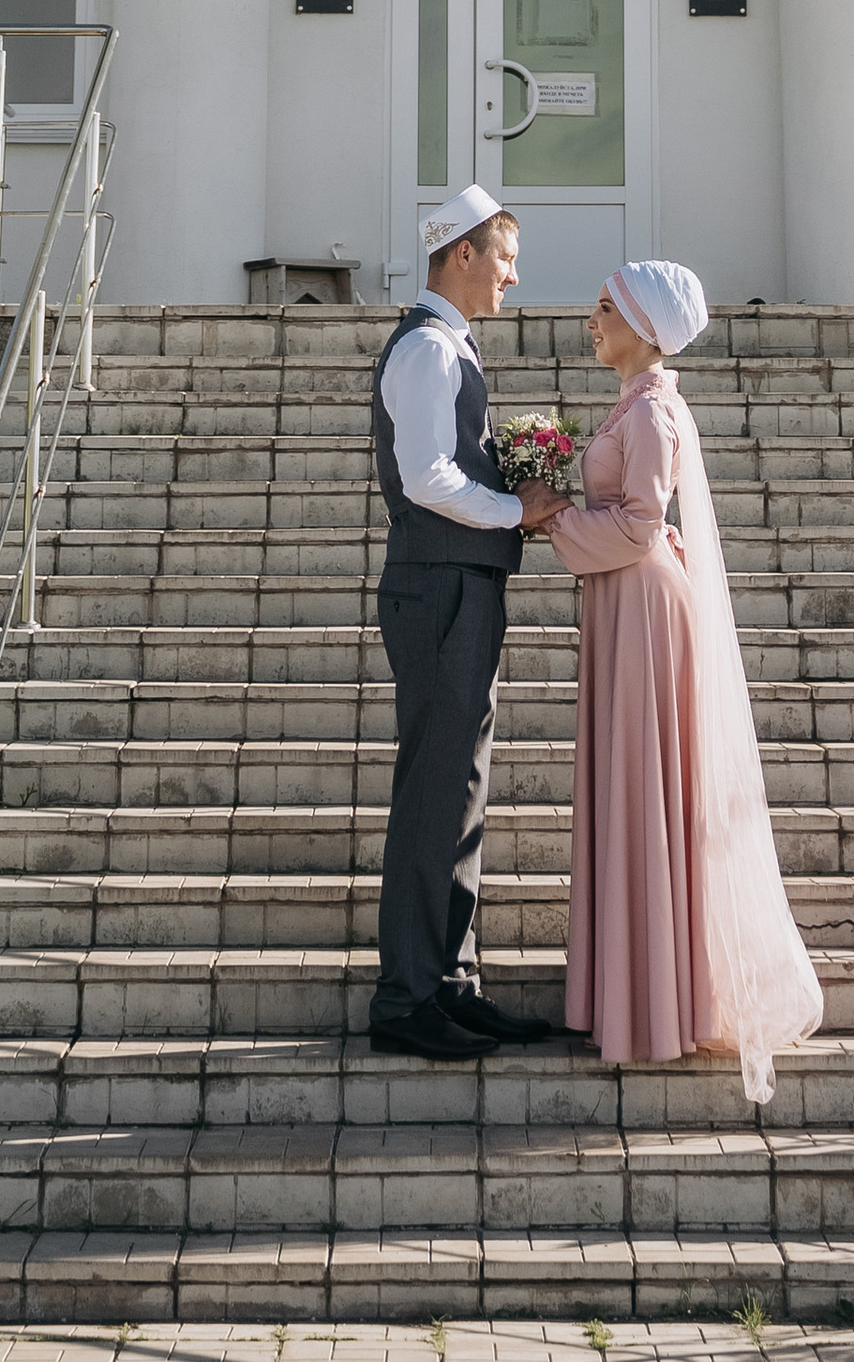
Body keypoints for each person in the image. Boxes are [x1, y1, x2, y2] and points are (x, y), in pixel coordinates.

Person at [535, 258, 823, 1094]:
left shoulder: (654, 410)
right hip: (627, 600)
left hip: (643, 602)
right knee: (634, 788)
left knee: (644, 787)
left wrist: (552, 518)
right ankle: (640, 993)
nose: (592, 321)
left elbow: (636, 526)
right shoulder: (637, 404)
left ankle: (656, 1003)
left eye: (604, 309)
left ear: (642, 325)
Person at [366, 183, 565, 1058]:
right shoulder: (427, 352)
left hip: (461, 585)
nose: (513, 278)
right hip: (438, 585)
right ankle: (406, 998)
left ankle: (452, 980)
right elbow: (427, 480)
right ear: (464, 255)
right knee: (435, 789)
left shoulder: (451, 348)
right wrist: (512, 510)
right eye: (506, 259)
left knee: (462, 787)